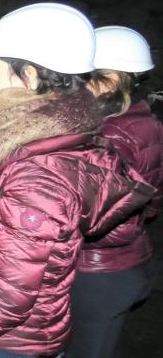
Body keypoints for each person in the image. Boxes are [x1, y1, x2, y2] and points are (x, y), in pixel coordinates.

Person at [0, 3, 154, 358]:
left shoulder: (38, 170)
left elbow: (9, 294)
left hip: (0, 343)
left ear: (31, 75)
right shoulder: (42, 139)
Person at [66, 26, 163, 358]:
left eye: (81, 77)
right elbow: (151, 201)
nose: (71, 85)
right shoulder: (143, 121)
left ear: (107, 82)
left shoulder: (109, 136)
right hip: (121, 264)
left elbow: (99, 221)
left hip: (97, 272)